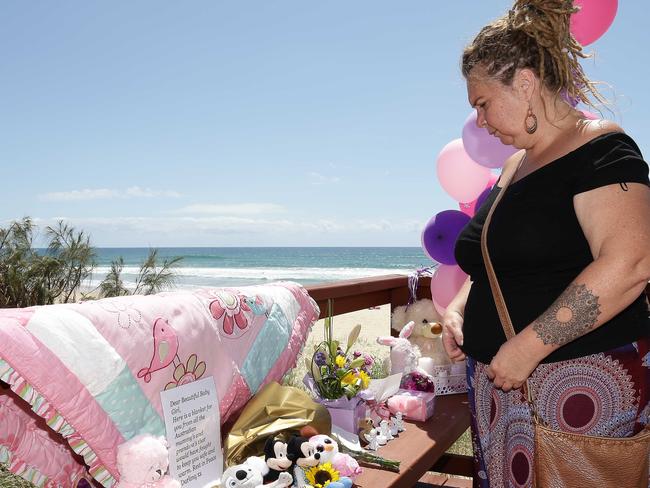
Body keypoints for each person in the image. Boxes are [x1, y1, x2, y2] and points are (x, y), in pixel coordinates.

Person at [441, 1, 650, 486]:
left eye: (483, 103)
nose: (481, 121)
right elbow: (495, 260)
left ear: (527, 84)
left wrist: (526, 349)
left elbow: (631, 262)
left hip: (577, 386)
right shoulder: (515, 167)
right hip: (505, 387)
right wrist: (459, 306)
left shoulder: (601, 149)